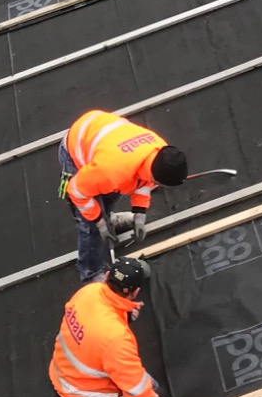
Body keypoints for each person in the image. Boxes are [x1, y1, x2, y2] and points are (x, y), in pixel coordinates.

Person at [48, 257, 176, 397]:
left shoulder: (88, 292)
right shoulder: (116, 339)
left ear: (107, 277)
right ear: (134, 292)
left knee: (148, 385)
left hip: (61, 382)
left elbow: (93, 324)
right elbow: (138, 395)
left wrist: (123, 314)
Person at [58, 108, 188, 280]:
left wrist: (140, 212)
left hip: (104, 142)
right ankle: (90, 273)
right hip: (77, 148)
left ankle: (109, 217)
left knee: (111, 192)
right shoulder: (110, 171)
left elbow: (144, 182)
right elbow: (78, 193)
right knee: (89, 226)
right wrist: (99, 222)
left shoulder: (160, 152)